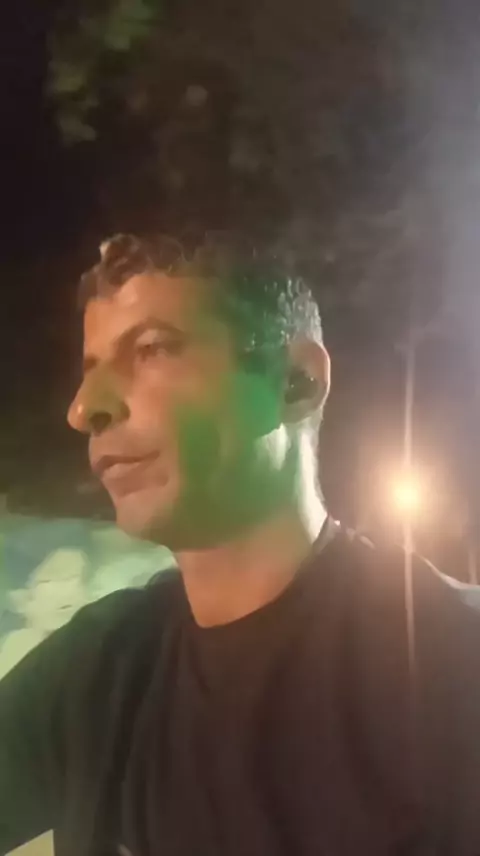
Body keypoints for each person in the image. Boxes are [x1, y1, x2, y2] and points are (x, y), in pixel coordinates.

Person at [1, 233, 480, 856]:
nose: (84, 407)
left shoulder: (453, 666)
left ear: (296, 382)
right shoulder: (98, 670)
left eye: (150, 349)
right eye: (90, 368)